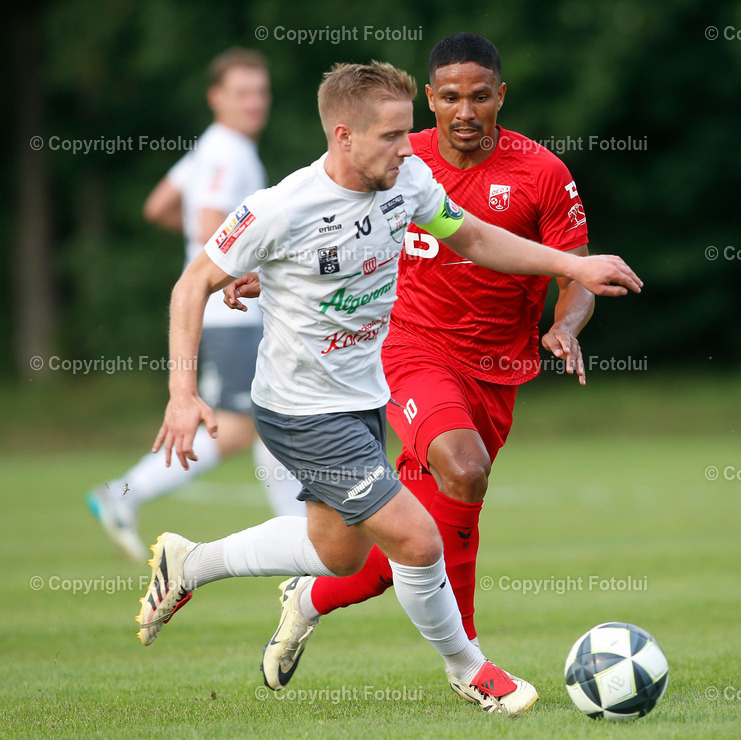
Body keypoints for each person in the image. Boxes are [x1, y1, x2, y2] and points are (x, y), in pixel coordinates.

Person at [136, 60, 641, 717]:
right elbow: (191, 284)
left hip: (360, 396)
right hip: (300, 407)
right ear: (344, 136)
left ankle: (190, 563)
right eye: (392, 137)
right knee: (418, 537)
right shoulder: (280, 207)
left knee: (339, 555)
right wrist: (182, 394)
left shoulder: (408, 184)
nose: (410, 148)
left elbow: (481, 239)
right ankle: (470, 669)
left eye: (408, 133)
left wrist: (574, 267)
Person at [242, 33, 605, 699]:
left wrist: (565, 322)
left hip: (497, 369)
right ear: (432, 99)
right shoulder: (398, 154)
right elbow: (321, 227)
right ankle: (468, 665)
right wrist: (272, 278)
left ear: (501, 96)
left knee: (415, 542)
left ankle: (311, 597)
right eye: (450, 97)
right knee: (464, 469)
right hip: (407, 350)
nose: (465, 110)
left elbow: (574, 267)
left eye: (480, 96)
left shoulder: (543, 173)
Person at [87, 48, 303, 563]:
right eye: (242, 93)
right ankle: (124, 493)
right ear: (216, 98)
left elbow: (159, 205)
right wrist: (224, 263)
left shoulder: (209, 147)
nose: (254, 103)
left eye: (260, 92)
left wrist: (199, 250)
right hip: (234, 313)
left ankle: (299, 537)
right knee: (253, 422)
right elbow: (209, 224)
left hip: (223, 312)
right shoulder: (230, 151)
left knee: (249, 424)